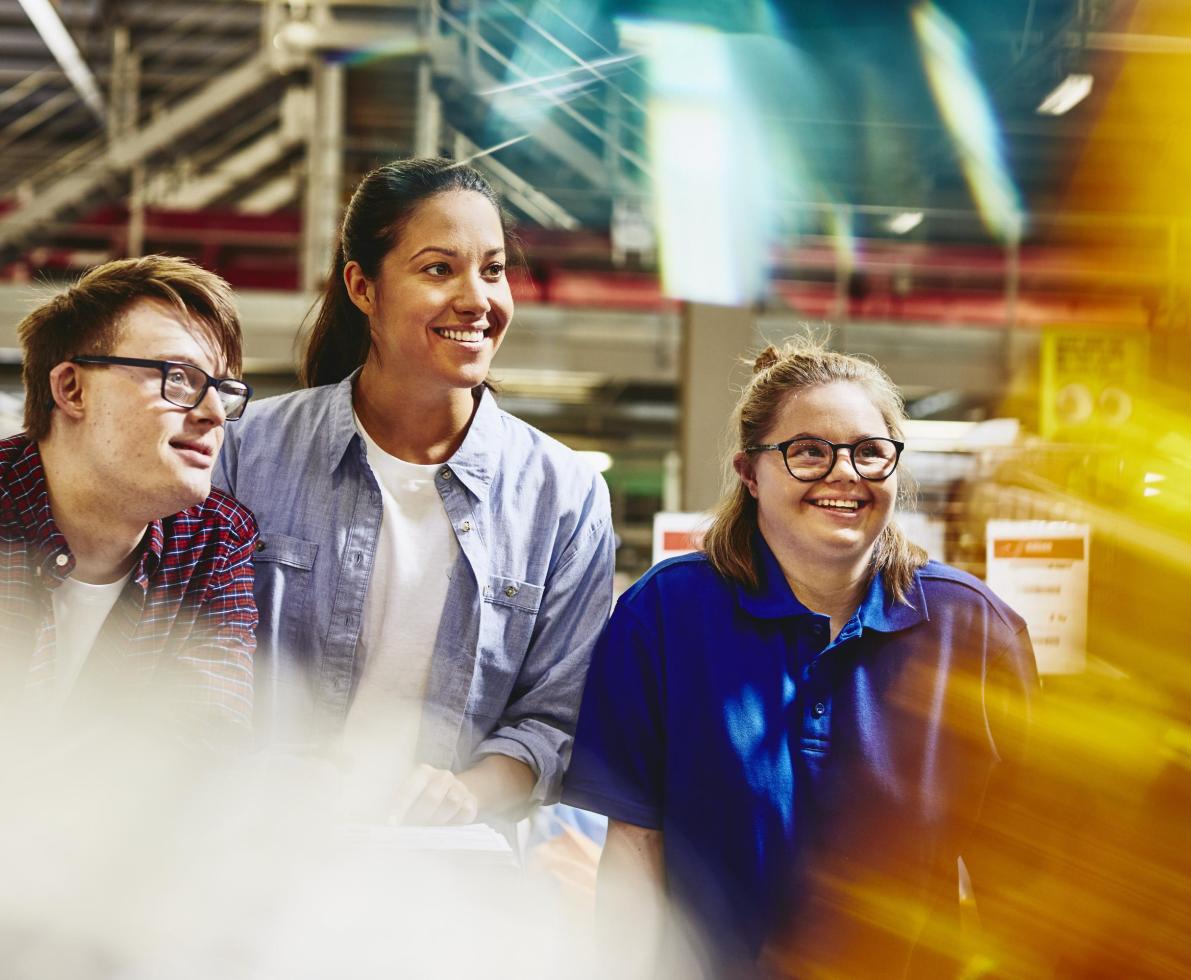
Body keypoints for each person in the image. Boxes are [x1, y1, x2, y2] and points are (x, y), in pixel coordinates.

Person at [562, 339, 1040, 977]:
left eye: (871, 452)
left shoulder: (973, 629)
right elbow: (635, 849)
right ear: (749, 473)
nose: (846, 474)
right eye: (809, 451)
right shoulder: (666, 616)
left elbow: (1017, 876)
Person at [215, 158, 615, 826]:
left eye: (492, 269)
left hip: (443, 885)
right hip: (257, 850)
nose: (477, 298)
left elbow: (554, 718)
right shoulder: (244, 452)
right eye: (438, 269)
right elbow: (188, 665)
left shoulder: (562, 495)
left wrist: (465, 794)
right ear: (362, 287)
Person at [1, 255, 258, 740]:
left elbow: (208, 745)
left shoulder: (215, 540)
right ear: (72, 389)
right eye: (179, 376)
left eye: (221, 389)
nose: (214, 415)